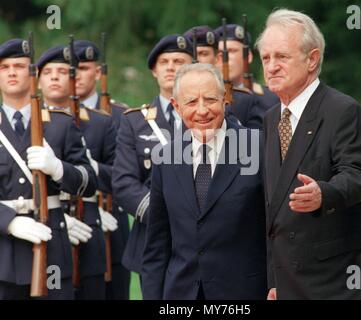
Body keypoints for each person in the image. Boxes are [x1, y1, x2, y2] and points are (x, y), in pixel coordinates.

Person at [257, 9, 361, 300]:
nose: (271, 67)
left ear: (312, 59)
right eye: (266, 58)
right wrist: (273, 279)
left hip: (340, 279)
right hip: (291, 280)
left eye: (281, 57)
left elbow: (358, 176)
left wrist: (324, 192)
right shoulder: (271, 119)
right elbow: (273, 208)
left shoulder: (343, 110)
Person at [141, 63, 267, 300]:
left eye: (210, 99)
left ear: (225, 99)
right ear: (177, 107)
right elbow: (157, 245)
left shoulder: (258, 147)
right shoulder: (166, 158)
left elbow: (276, 231)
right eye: (190, 102)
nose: (202, 111)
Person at [0, 38, 97, 299]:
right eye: (4, 67)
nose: (11, 72)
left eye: (19, 66)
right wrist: (8, 222)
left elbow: (89, 181)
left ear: (33, 75)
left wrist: (58, 169)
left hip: (51, 249)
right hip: (3, 254)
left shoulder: (60, 124)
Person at [37, 44, 116, 299]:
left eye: (63, 71)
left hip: (89, 223)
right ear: (37, 81)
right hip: (47, 224)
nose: (56, 78)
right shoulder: (27, 124)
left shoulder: (101, 121)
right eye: (48, 72)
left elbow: (118, 175)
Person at [113, 34, 193, 281]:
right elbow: (123, 182)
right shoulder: (134, 121)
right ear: (154, 72)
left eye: (179, 61)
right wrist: (162, 213)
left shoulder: (211, 116)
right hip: (152, 239)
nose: (171, 67)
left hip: (202, 239)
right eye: (164, 62)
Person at [74, 39, 130, 300]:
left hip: (114, 222)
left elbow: (126, 174)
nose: (76, 75)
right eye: (70, 69)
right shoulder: (50, 116)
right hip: (74, 221)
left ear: (98, 73)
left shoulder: (122, 116)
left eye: (83, 68)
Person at [184, 25, 263, 129]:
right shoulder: (177, 101)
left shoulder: (244, 101)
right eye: (193, 55)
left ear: (217, 59)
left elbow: (254, 141)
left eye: (203, 54)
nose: (198, 60)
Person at [214, 23, 279, 113]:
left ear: (248, 57)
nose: (223, 58)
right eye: (218, 53)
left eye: (231, 51)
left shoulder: (272, 98)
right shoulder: (206, 100)